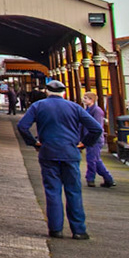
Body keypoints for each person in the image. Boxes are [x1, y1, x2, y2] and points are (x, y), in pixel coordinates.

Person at [16, 79, 102, 238]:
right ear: (64, 93)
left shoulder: (38, 106)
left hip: (48, 153)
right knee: (74, 191)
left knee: (52, 191)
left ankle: (56, 230)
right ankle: (79, 231)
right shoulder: (74, 107)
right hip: (70, 153)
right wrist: (84, 144)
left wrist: (34, 142)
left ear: (47, 92)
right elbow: (96, 128)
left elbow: (22, 126)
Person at [81, 91, 115, 188]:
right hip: (89, 138)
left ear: (91, 100)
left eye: (86, 98)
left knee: (92, 159)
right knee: (96, 160)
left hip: (94, 139)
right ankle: (108, 179)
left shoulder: (97, 111)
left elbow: (98, 127)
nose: (84, 100)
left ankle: (90, 178)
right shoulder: (88, 109)